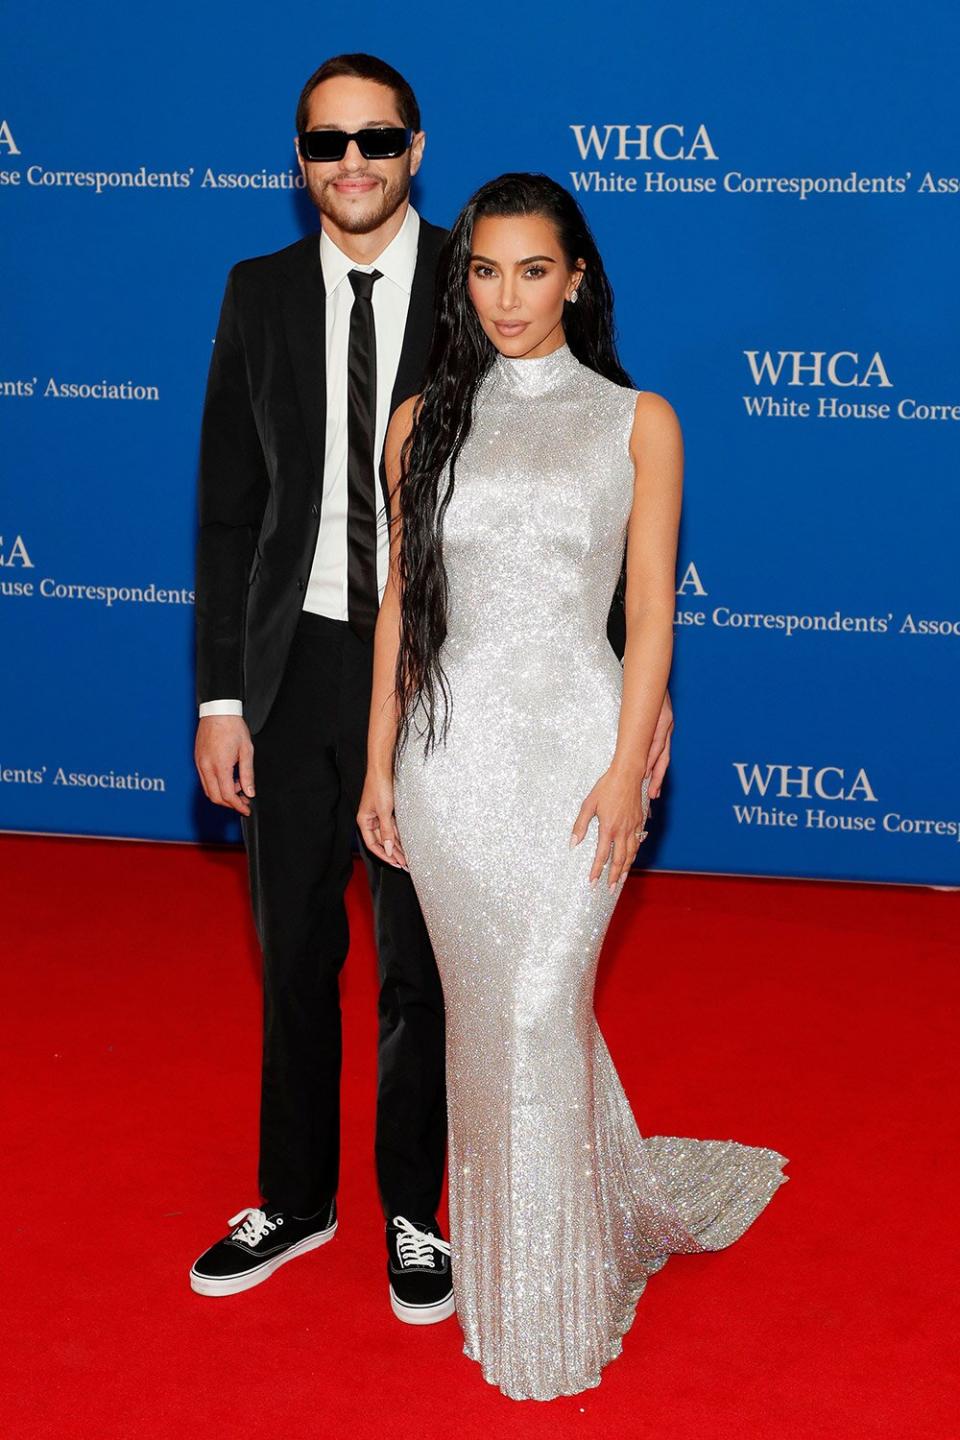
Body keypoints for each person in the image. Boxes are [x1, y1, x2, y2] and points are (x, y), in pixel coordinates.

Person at [358, 173, 789, 1398]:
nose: (507, 297)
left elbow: (648, 609)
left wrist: (627, 756)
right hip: (449, 762)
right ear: (464, 281)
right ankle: (521, 1263)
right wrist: (382, 758)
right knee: (493, 1020)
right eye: (485, 271)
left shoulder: (638, 420)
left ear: (579, 277)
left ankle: (556, 1290)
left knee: (543, 1007)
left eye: (533, 270)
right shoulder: (422, 421)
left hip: (574, 754)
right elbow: (403, 607)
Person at [188, 53, 456, 1322]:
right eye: (327, 142)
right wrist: (220, 698)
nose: (352, 161)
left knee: (419, 957)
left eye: (377, 137)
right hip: (294, 669)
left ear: (417, 147)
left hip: (437, 675)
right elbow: (229, 511)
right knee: (291, 945)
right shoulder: (255, 293)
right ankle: (295, 1198)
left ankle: (414, 1208)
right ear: (299, 162)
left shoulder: (481, 280)